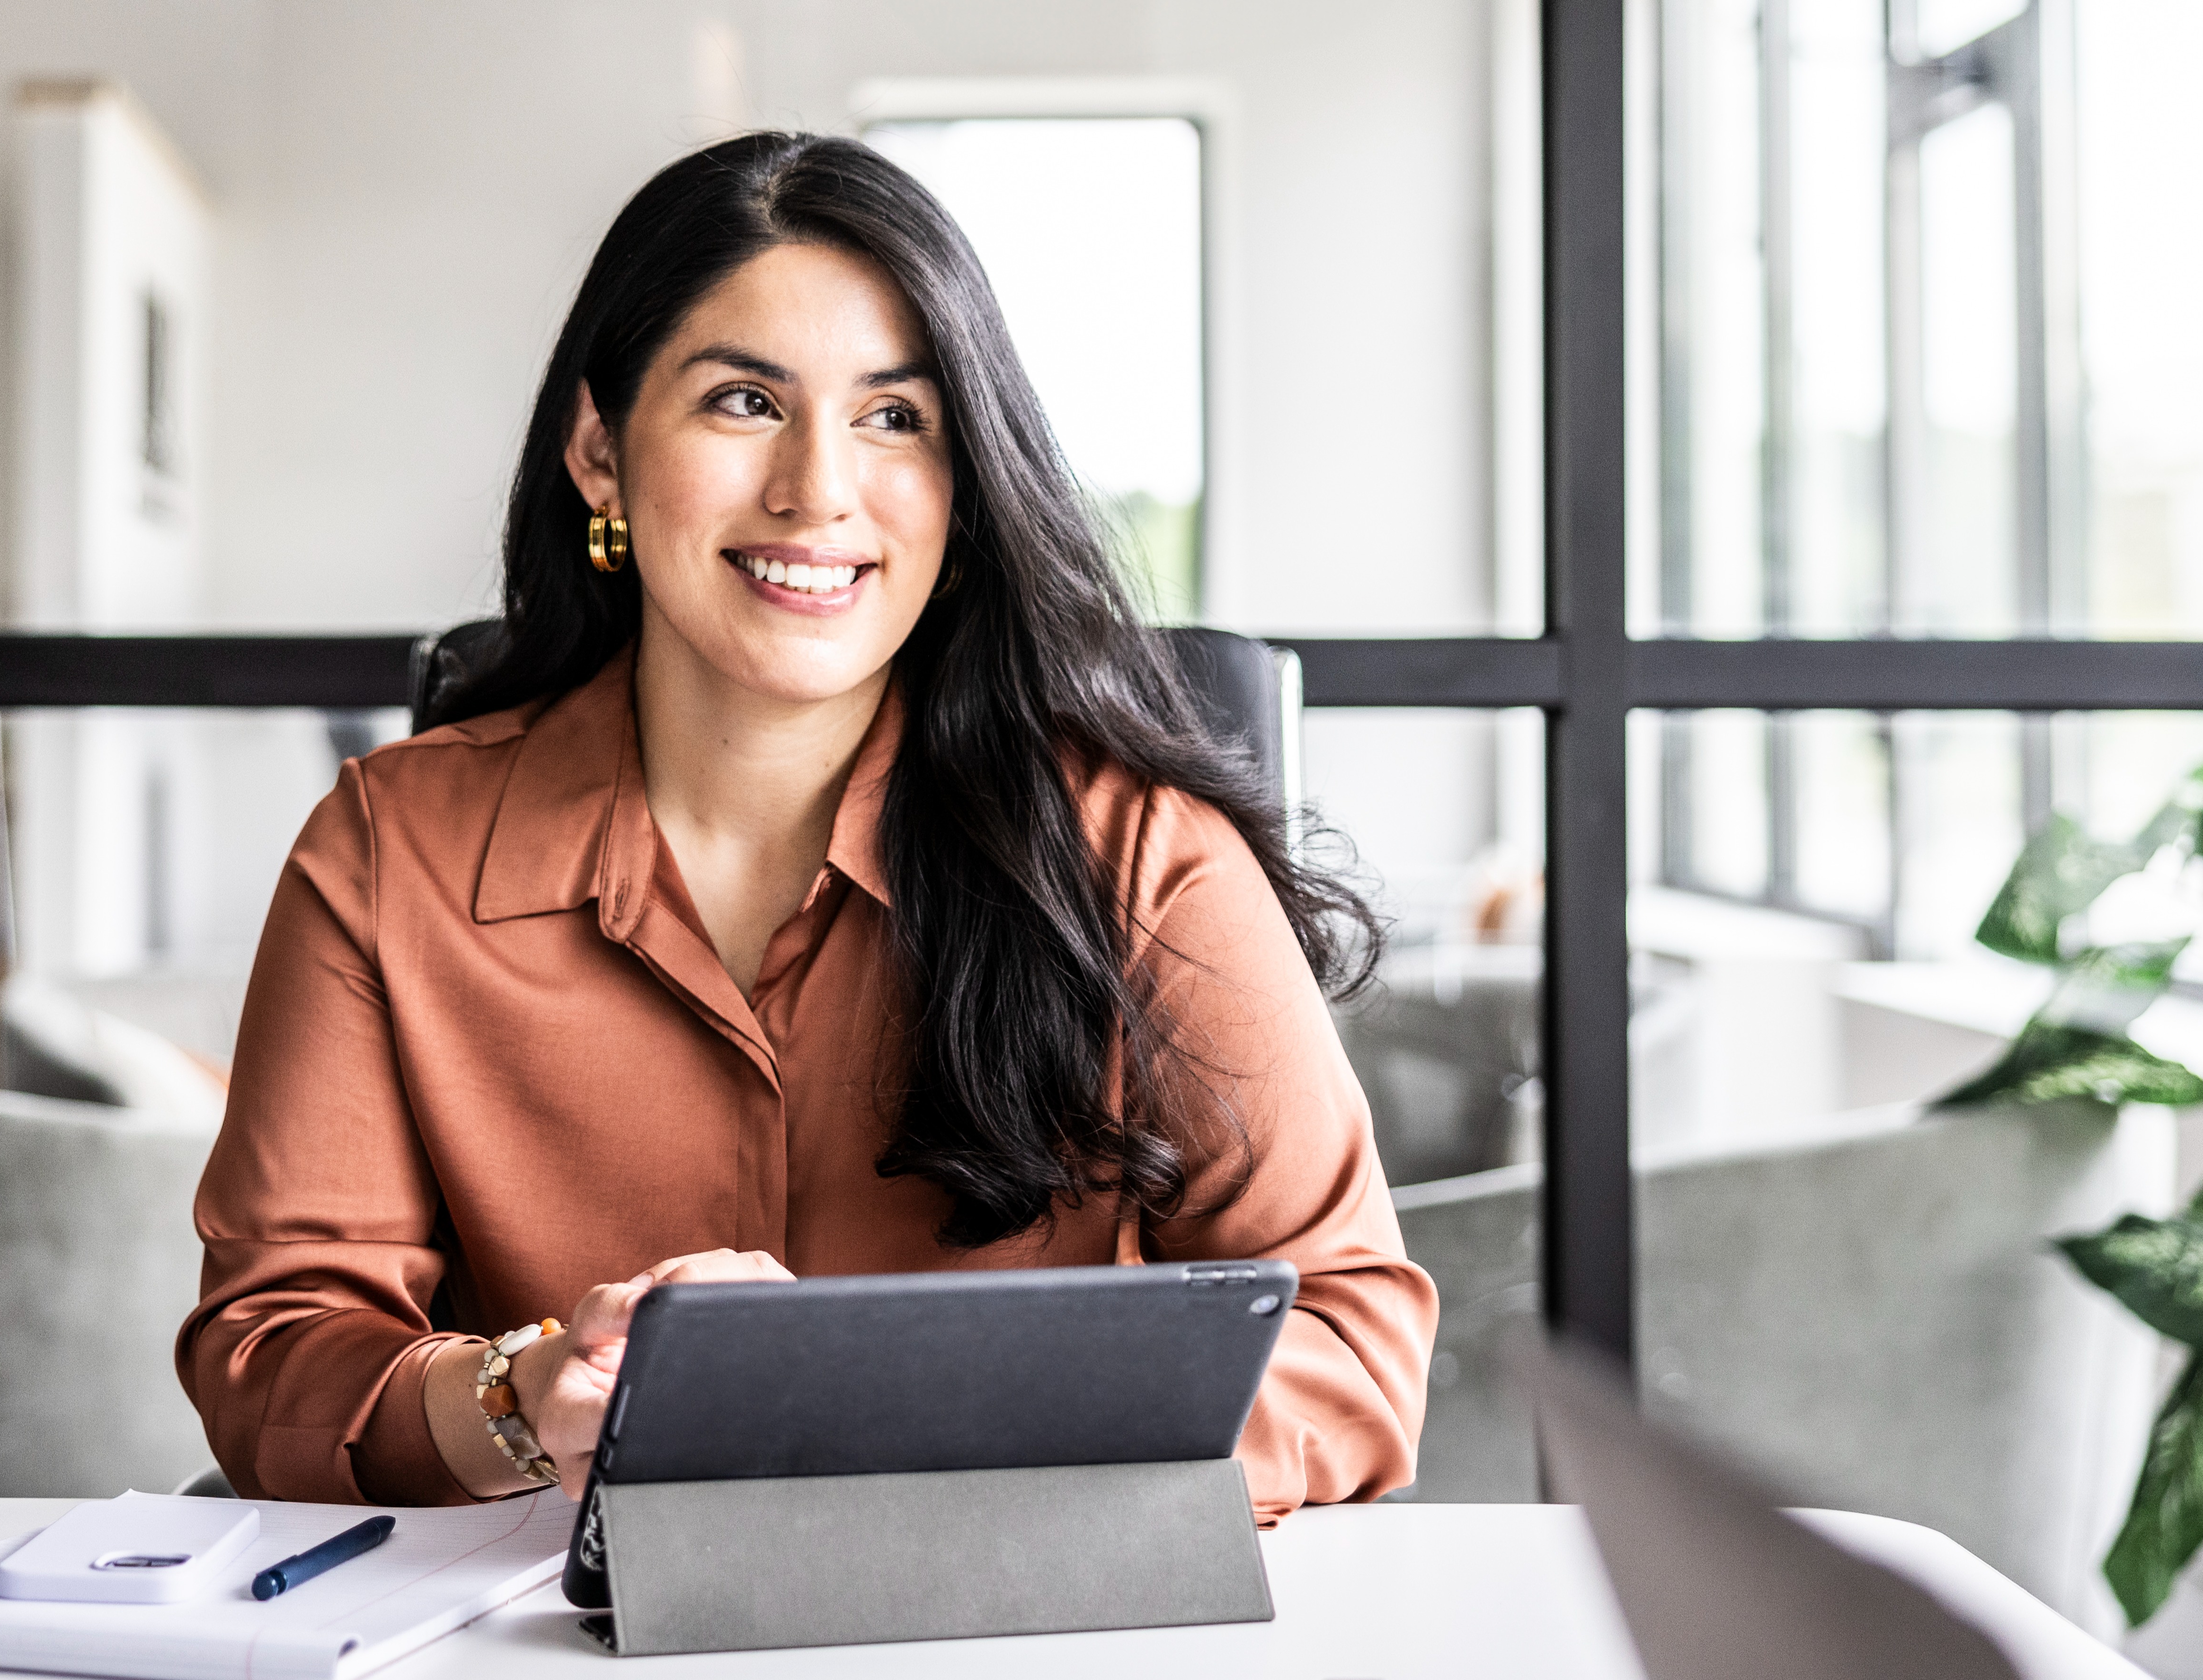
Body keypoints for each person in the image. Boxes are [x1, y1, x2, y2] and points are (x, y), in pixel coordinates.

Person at [179, 133, 1437, 1521]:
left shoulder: (1137, 857)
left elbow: (1348, 1345)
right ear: (599, 451)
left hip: (1023, 1628)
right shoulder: (387, 851)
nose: (816, 491)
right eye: (740, 402)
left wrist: (906, 1416)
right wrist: (522, 1398)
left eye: (894, 418)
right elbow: (274, 1351)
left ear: (963, 489)